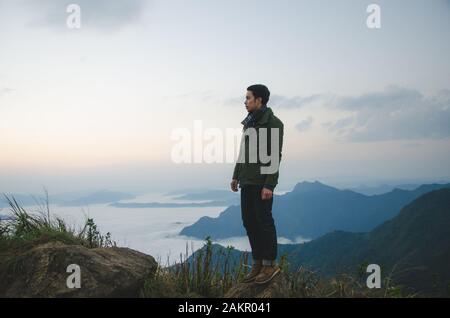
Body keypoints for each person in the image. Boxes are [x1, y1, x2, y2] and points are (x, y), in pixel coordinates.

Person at [230, 84, 284, 284]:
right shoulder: (249, 123)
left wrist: (269, 185)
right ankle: (258, 263)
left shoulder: (274, 124)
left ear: (259, 100)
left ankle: (270, 265)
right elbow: (243, 152)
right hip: (247, 181)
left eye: (248, 98)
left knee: (264, 222)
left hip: (262, 183)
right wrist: (236, 175)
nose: (245, 102)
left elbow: (275, 157)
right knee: (249, 221)